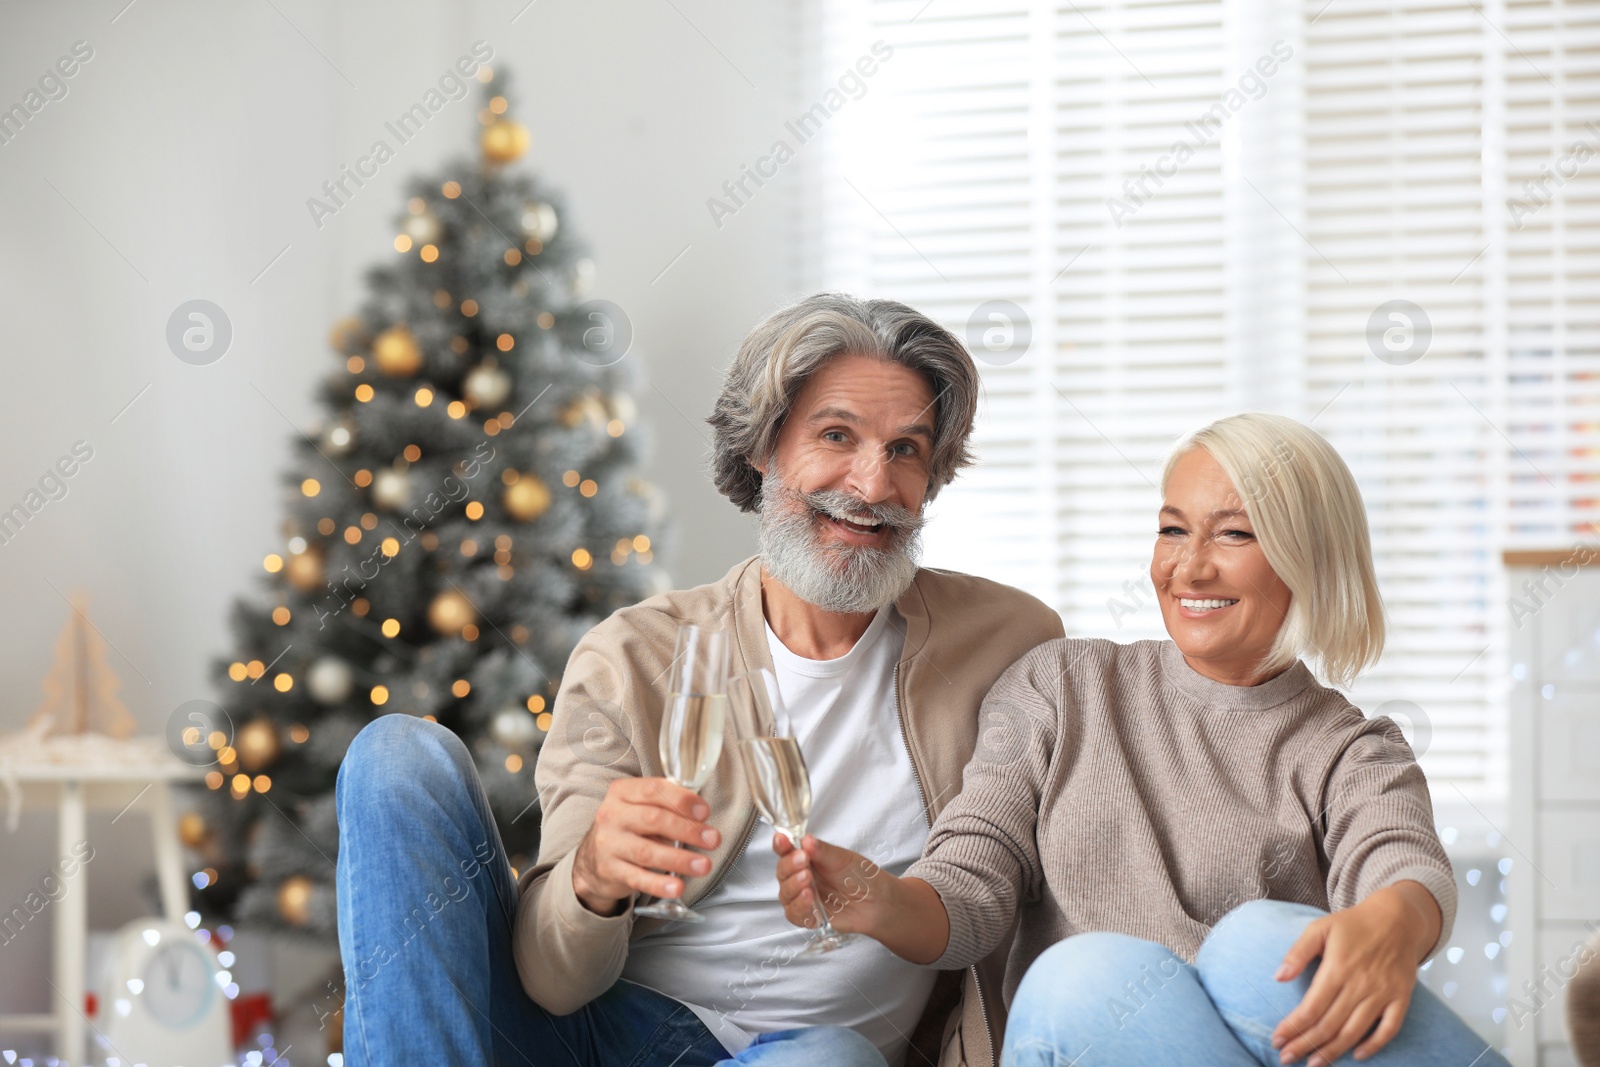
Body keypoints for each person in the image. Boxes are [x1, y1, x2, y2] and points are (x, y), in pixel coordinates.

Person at [333, 293, 1064, 1066]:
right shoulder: (636, 655)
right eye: (837, 435)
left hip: (805, 1053)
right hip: (593, 1030)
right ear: (764, 448)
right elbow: (550, 981)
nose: (873, 482)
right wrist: (592, 879)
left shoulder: (1007, 642)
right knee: (397, 758)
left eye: (907, 449)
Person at [775, 412, 1511, 1067]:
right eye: (1172, 528)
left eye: (1234, 532)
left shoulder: (1353, 751)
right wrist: (881, 902)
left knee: (1257, 946)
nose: (1188, 566)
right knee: (1080, 978)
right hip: (1069, 1032)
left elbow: (1401, 859)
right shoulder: (1060, 687)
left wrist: (1397, 918)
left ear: (1307, 555)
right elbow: (970, 888)